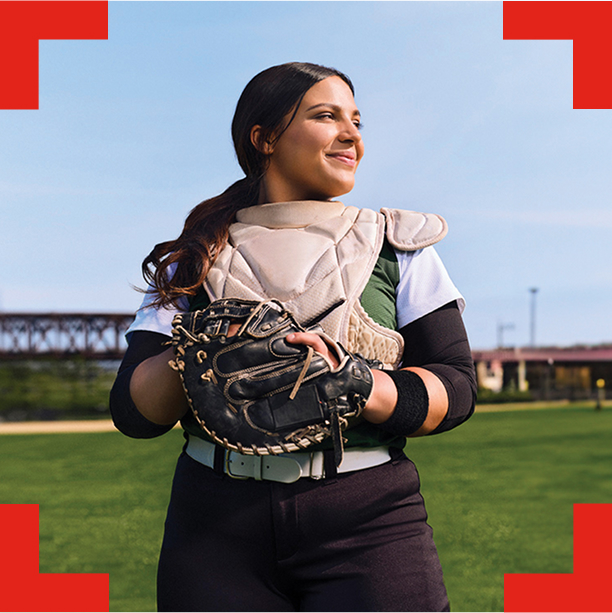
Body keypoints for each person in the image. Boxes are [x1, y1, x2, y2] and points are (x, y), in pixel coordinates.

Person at [110, 62, 477, 612]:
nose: (352, 134)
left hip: (368, 516)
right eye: (326, 116)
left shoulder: (398, 245)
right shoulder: (192, 257)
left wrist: (358, 384)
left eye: (356, 119)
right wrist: (202, 351)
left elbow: (457, 387)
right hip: (215, 524)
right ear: (264, 138)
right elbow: (133, 414)